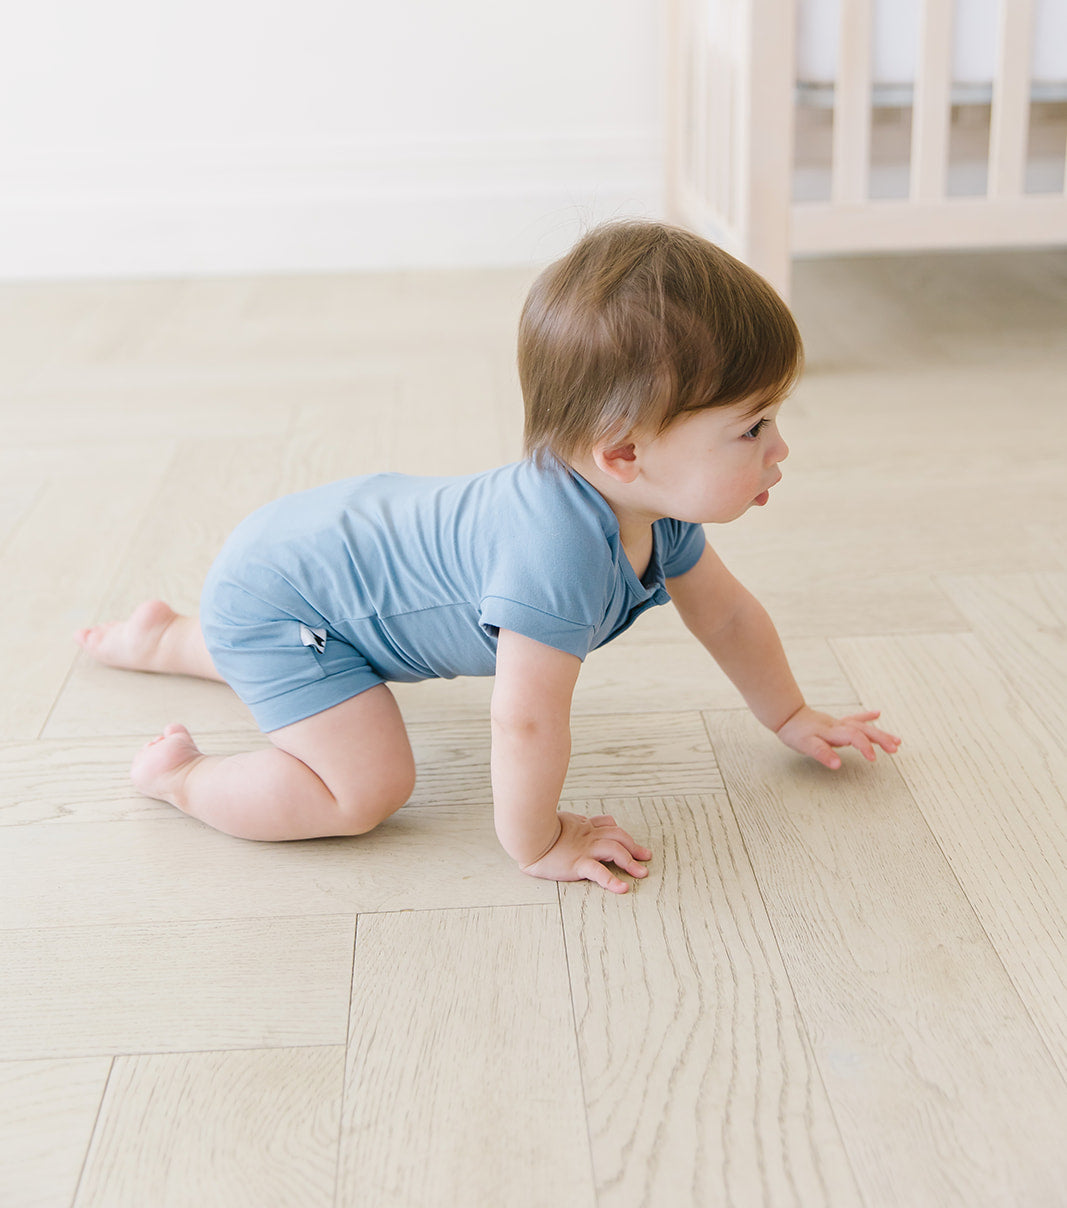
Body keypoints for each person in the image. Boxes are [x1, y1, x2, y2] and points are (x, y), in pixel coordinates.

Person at [75, 220, 900, 894]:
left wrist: (788, 714)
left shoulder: (654, 505)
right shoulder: (555, 552)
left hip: (308, 578)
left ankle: (165, 638)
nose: (778, 447)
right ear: (623, 454)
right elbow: (525, 718)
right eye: (751, 428)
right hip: (288, 602)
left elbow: (724, 615)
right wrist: (536, 839)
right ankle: (181, 779)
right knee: (364, 790)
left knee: (284, 645)